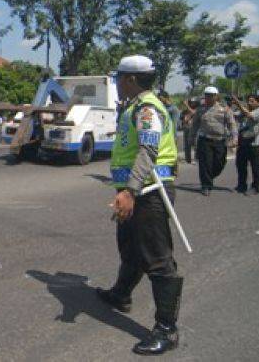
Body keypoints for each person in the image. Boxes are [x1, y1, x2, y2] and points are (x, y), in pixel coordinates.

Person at [97, 55, 182, 356]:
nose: (117, 83)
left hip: (148, 192)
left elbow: (149, 149)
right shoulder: (135, 106)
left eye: (118, 78)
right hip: (135, 190)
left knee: (158, 259)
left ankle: (167, 330)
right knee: (130, 247)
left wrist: (131, 191)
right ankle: (121, 294)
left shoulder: (146, 108)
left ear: (130, 79)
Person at [191, 86, 237, 196]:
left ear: (216, 96)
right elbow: (195, 124)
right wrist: (192, 138)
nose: (208, 97)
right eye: (206, 95)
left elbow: (232, 124)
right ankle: (206, 186)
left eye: (211, 95)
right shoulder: (201, 109)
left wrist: (235, 138)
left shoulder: (224, 109)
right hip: (205, 140)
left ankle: (209, 176)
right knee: (205, 163)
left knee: (220, 163)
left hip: (220, 140)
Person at [232, 94, 259, 194]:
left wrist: (238, 103)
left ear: (258, 102)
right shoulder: (244, 110)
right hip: (242, 143)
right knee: (240, 165)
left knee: (255, 167)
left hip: (253, 144)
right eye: (248, 101)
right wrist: (229, 106)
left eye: (252, 101)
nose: (249, 103)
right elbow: (235, 115)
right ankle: (242, 185)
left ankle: (255, 187)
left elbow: (249, 115)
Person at [180, 98, 198, 164]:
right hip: (186, 129)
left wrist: (187, 105)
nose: (192, 104)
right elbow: (183, 119)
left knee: (195, 144)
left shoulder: (197, 109)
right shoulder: (184, 111)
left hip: (194, 130)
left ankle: (196, 159)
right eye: (191, 102)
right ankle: (187, 159)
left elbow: (194, 112)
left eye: (193, 102)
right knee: (187, 145)